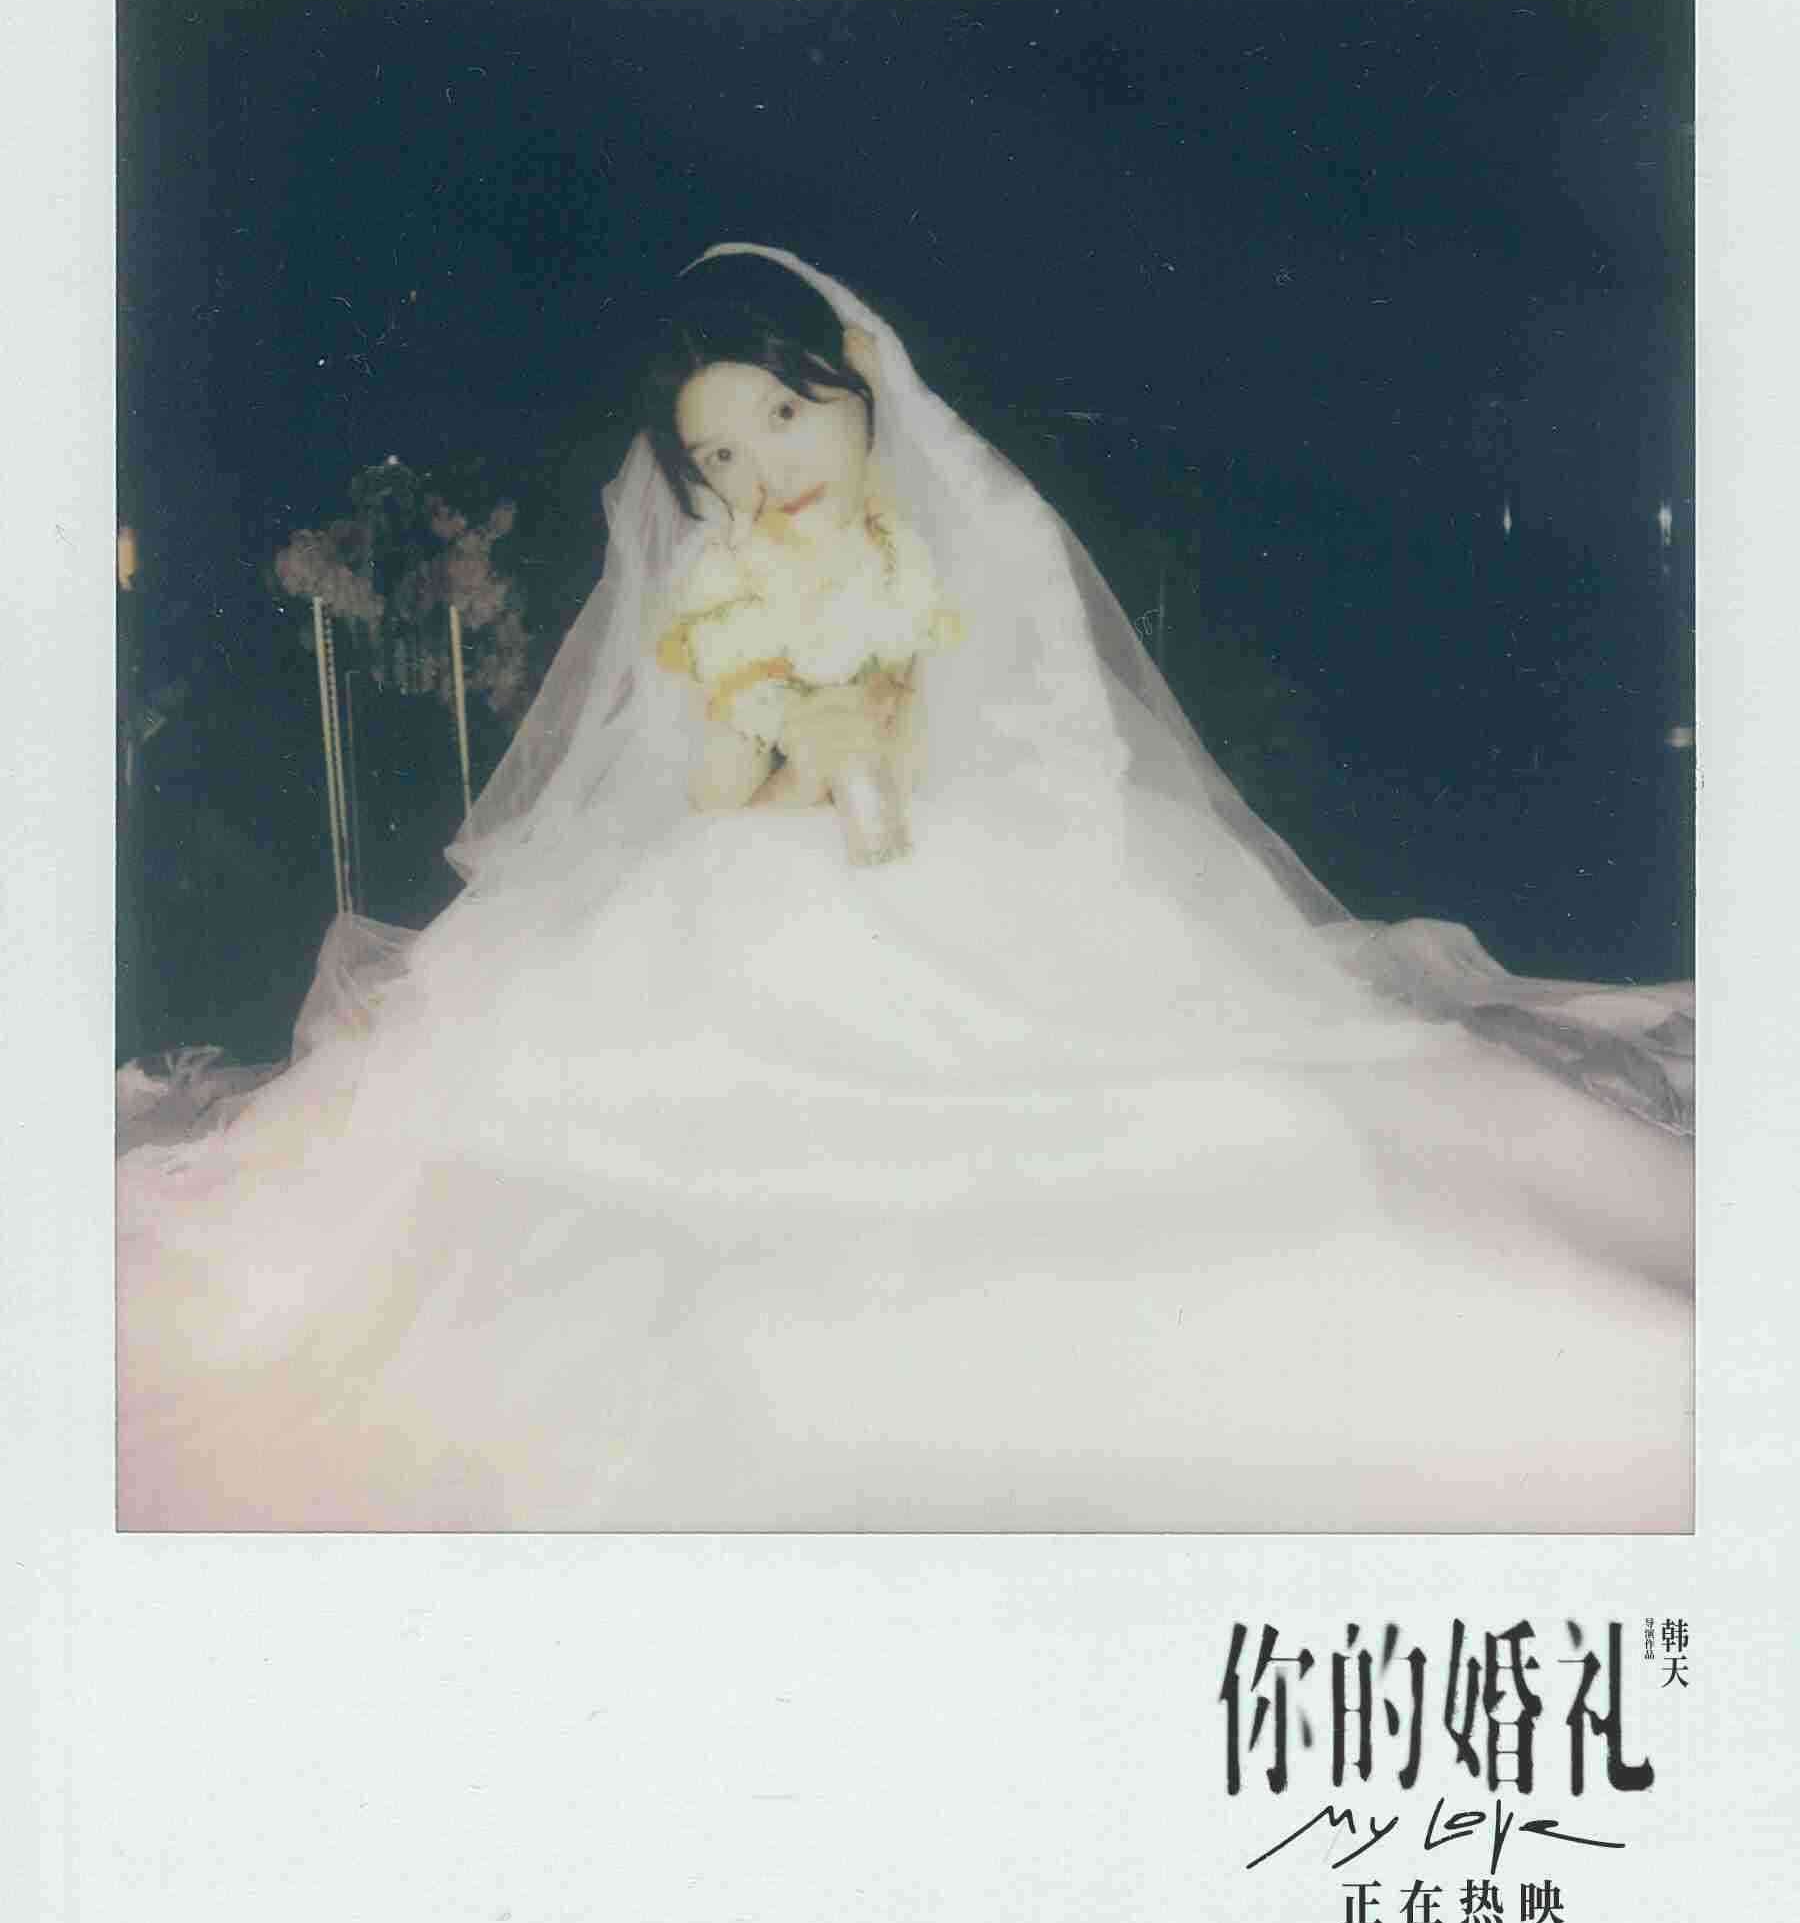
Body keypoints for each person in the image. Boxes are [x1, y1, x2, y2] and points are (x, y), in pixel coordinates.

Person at [116, 244, 1693, 1533]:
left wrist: (893, 767)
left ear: (858, 379)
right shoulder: (725, 563)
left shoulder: (981, 528)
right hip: (769, 846)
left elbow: (1066, 744)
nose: (762, 470)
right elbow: (700, 765)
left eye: (784, 418)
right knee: (689, 961)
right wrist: (783, 757)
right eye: (720, 454)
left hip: (985, 843)